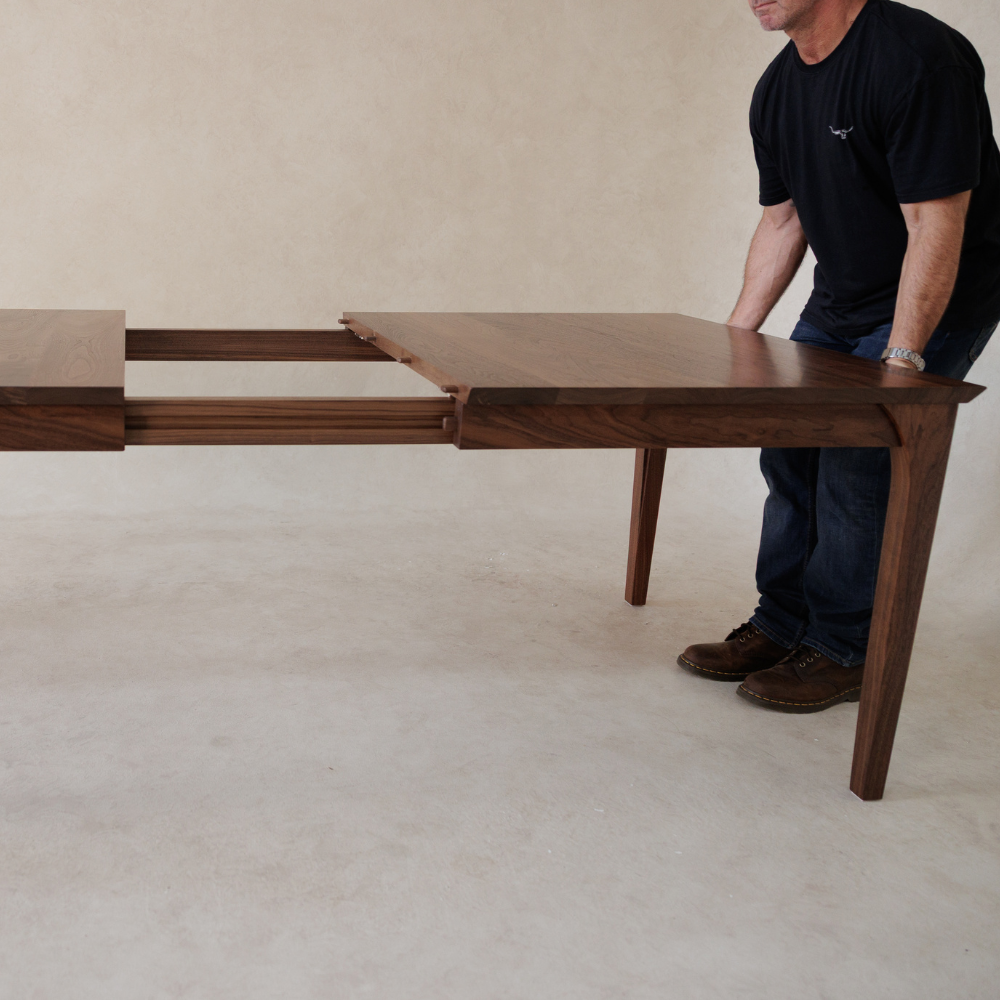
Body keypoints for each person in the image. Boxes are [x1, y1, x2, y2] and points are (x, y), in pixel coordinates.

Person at [678, 0, 1000, 712]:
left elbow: (935, 219)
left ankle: (841, 649)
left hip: (939, 291)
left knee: (859, 458)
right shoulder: (778, 89)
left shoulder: (916, 59)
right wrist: (734, 341)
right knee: (788, 442)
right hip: (844, 293)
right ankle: (781, 624)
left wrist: (904, 357)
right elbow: (783, 218)